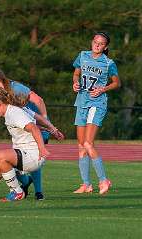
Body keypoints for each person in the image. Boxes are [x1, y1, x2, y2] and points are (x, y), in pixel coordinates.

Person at [0, 66, 50, 200]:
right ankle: (25, 183)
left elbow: (38, 100)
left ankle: (37, 191)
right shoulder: (0, 95)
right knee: (14, 159)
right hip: (25, 126)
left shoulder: (15, 87)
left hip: (35, 125)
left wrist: (45, 120)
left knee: (31, 155)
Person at [72, 32, 120, 195]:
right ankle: (86, 184)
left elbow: (116, 83)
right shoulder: (83, 55)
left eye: (101, 44)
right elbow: (76, 73)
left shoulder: (108, 63)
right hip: (82, 101)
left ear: (105, 47)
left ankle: (103, 180)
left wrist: (103, 89)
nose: (97, 45)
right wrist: (75, 83)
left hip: (97, 103)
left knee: (88, 143)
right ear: (92, 42)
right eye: (95, 42)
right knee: (80, 146)